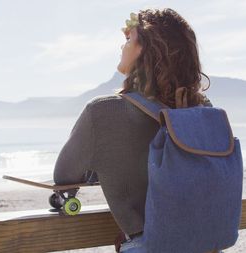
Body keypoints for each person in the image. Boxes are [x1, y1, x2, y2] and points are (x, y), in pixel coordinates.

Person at [53, 8, 215, 252]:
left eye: (128, 40)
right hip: (205, 243)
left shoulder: (103, 112)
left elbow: (63, 176)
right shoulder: (203, 109)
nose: (122, 47)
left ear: (147, 51)